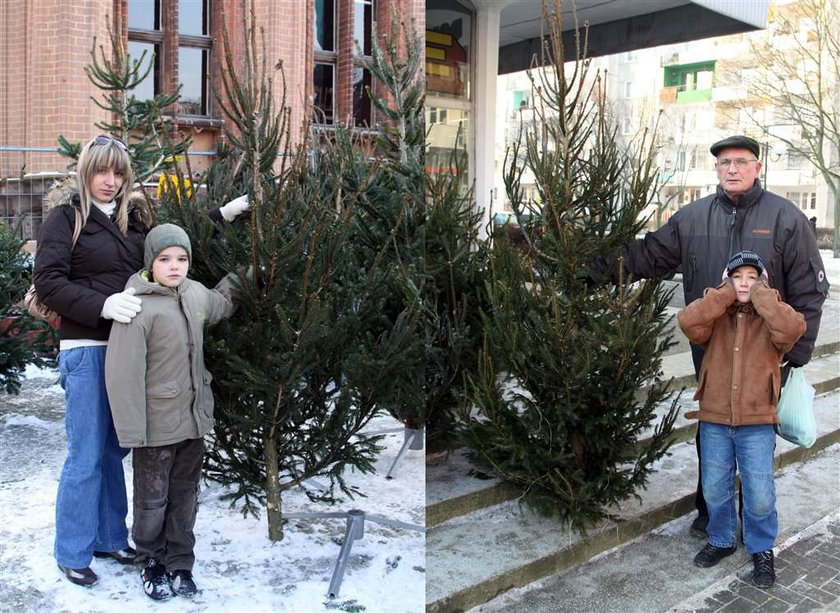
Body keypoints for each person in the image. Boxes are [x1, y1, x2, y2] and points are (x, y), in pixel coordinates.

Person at [33, 134, 251, 587]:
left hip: (131, 351)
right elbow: (49, 282)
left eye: (118, 173)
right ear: (86, 171)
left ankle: (109, 537)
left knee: (115, 451)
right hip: (88, 349)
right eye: (101, 171)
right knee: (87, 455)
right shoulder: (66, 219)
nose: (109, 182)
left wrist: (222, 216)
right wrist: (102, 306)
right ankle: (72, 550)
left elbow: (169, 247)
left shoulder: (134, 220)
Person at [589, 134, 829, 537]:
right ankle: (711, 513)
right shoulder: (692, 218)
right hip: (712, 355)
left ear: (757, 167)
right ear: (716, 169)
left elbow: (809, 292)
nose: (732, 169)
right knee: (712, 440)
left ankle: (754, 524)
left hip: (765, 358)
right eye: (724, 163)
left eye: (741, 161)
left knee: (754, 445)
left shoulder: (786, 218)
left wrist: (794, 356)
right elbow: (647, 255)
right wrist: (592, 270)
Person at [105, 224, 237, 600]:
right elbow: (122, 373)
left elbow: (222, 303)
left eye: (181, 259)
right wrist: (132, 431)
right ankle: (151, 559)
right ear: (151, 262)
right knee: (152, 499)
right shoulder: (137, 305)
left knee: (185, 496)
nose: (174, 266)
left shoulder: (194, 294)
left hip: (193, 423)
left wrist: (249, 273)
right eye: (165, 259)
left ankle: (181, 561)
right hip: (154, 428)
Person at [677, 251, 805, 587]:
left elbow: (794, 328)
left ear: (762, 281)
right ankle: (721, 539)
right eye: (738, 276)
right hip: (715, 418)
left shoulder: (771, 316)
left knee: (760, 492)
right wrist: (723, 294)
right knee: (715, 490)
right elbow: (688, 322)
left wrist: (761, 294)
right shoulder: (717, 313)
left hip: (757, 421)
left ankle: (761, 549)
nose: (744, 282)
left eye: (752, 276)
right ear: (727, 280)